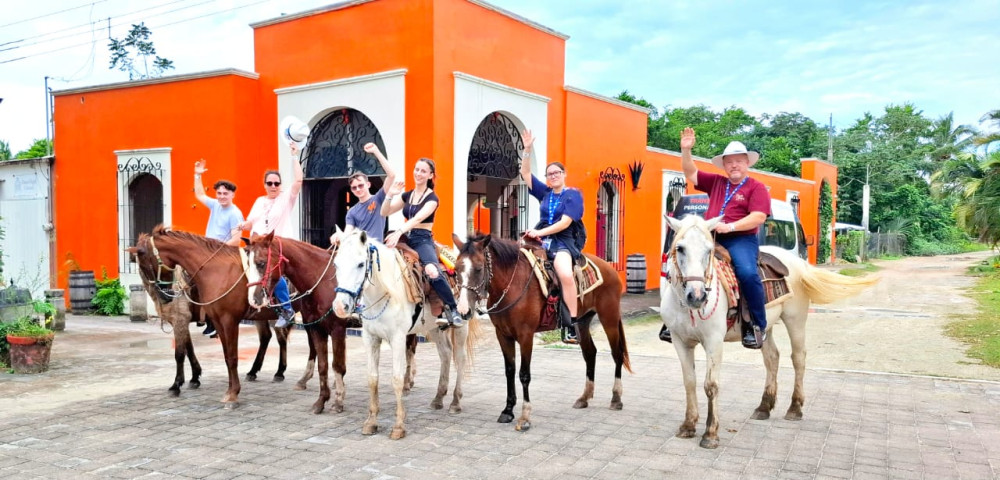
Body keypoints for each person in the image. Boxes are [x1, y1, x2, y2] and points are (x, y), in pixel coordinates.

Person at [660, 127, 770, 349]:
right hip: (711, 238)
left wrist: (730, 227)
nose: (734, 165)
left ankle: (757, 324)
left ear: (747, 163)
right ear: (725, 165)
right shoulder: (717, 182)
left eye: (739, 161)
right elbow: (691, 172)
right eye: (730, 162)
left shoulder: (756, 187)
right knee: (679, 265)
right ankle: (671, 321)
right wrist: (685, 150)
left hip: (740, 240)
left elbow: (758, 216)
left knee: (747, 273)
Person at [519, 129, 585, 345]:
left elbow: (565, 223)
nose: (553, 176)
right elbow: (526, 174)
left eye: (557, 172)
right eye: (550, 174)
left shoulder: (573, 194)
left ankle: (571, 326)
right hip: (541, 239)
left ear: (564, 174)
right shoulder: (545, 193)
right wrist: (527, 149)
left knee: (565, 274)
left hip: (563, 241)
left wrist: (538, 232)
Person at [380, 157, 464, 328]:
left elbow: (418, 218)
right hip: (405, 239)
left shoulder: (432, 198)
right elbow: (384, 212)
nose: (418, 173)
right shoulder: (407, 195)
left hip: (422, 240)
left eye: (423, 171)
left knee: (432, 271)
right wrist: (390, 194)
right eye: (416, 169)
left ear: (430, 175)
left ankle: (453, 309)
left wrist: (398, 231)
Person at [239, 142, 304, 329]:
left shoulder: (286, 198)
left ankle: (286, 309)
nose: (273, 186)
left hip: (277, 245)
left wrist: (294, 156)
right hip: (257, 244)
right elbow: (251, 221)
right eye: (270, 183)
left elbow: (299, 181)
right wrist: (244, 225)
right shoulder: (260, 201)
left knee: (274, 270)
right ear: (265, 185)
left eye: (276, 183)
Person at [193, 159, 244, 337]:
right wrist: (198, 174)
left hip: (224, 255)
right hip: (209, 253)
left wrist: (216, 249)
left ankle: (214, 321)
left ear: (232, 195)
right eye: (219, 193)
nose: (222, 196)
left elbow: (237, 240)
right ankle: (205, 319)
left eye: (225, 193)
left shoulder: (235, 213)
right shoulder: (215, 205)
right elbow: (199, 195)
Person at [330, 142, 396, 245]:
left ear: (368, 184)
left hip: (377, 250)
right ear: (351, 190)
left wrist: (376, 151)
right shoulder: (352, 212)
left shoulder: (378, 198)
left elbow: (391, 175)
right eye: (354, 187)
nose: (358, 189)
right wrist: (339, 235)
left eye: (361, 185)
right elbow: (348, 233)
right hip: (360, 250)